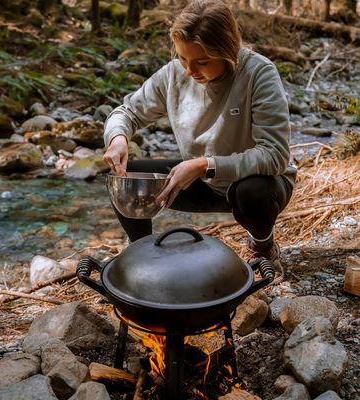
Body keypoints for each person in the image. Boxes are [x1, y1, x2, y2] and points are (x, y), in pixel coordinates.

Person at [103, 0, 297, 275]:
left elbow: (275, 155)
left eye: (202, 61)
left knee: (252, 192)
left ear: (227, 51)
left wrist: (203, 164)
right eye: (183, 58)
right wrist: (118, 137)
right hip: (202, 181)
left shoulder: (258, 74)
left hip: (259, 185)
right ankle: (142, 256)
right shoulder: (174, 75)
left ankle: (263, 245)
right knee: (125, 178)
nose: (190, 70)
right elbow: (126, 111)